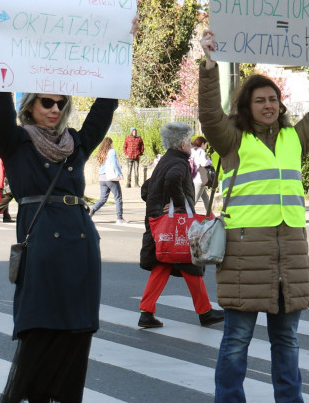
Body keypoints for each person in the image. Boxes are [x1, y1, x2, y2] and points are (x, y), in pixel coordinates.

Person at [0, 4, 131, 403]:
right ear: (31, 105)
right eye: (47, 101)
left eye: (62, 102)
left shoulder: (76, 145)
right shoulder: (16, 142)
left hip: (81, 249)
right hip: (42, 248)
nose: (56, 108)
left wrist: (122, 44)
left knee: (76, 341)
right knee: (43, 339)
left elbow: (106, 106)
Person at [198, 26, 309, 403]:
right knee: (236, 343)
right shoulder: (231, 139)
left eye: (274, 100)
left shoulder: (294, 139)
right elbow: (210, 114)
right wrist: (209, 66)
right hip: (244, 257)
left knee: (287, 343)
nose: (269, 105)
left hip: (289, 257)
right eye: (260, 100)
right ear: (247, 107)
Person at [138, 122, 226, 330]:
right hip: (174, 223)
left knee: (163, 263)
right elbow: (173, 179)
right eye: (187, 140)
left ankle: (147, 311)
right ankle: (205, 312)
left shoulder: (165, 160)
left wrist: (156, 202)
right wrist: (177, 204)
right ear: (180, 143)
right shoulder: (179, 163)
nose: (190, 144)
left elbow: (146, 188)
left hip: (159, 223)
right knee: (189, 262)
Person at [90, 137, 125, 224]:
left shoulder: (101, 153)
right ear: (110, 144)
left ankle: (92, 210)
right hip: (111, 178)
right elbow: (114, 164)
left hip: (102, 178)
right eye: (112, 143)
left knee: (102, 199)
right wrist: (120, 174)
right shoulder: (111, 151)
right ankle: (119, 218)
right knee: (118, 197)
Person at [189, 135, 212, 207]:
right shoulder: (201, 151)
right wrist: (209, 161)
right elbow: (203, 163)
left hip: (193, 177)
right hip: (200, 178)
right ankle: (187, 215)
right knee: (194, 200)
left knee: (205, 198)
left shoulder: (192, 150)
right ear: (202, 144)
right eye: (206, 144)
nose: (206, 146)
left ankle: (210, 214)